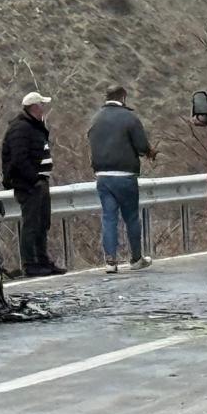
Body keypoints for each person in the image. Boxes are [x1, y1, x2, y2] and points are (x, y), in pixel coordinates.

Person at [88, 85, 156, 273]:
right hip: (125, 176)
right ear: (123, 98)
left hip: (102, 177)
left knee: (109, 218)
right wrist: (149, 152)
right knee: (131, 218)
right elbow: (142, 146)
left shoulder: (96, 118)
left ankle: (110, 261)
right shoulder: (129, 118)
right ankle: (135, 259)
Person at [1, 91, 63, 277]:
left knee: (42, 223)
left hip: (39, 183)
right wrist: (33, 179)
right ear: (35, 107)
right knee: (31, 224)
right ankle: (31, 263)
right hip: (29, 185)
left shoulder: (33, 126)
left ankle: (43, 261)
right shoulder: (21, 128)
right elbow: (19, 158)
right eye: (42, 105)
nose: (44, 108)